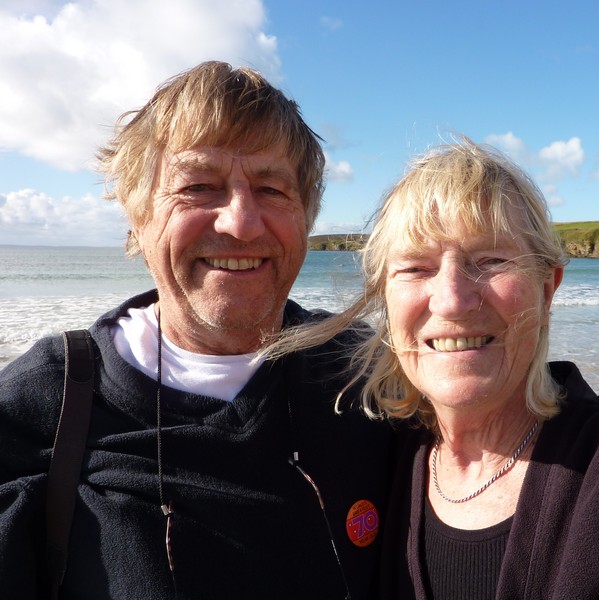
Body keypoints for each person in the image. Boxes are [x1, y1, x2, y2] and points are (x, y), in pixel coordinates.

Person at [269, 137, 599, 599]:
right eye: (416, 267)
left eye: (491, 261)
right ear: (385, 297)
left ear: (548, 289)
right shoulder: (378, 458)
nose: (451, 299)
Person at [0, 61, 391, 598]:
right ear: (137, 220)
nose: (241, 222)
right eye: (199, 186)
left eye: (272, 189)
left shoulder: (372, 373)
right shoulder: (45, 403)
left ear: (306, 217)